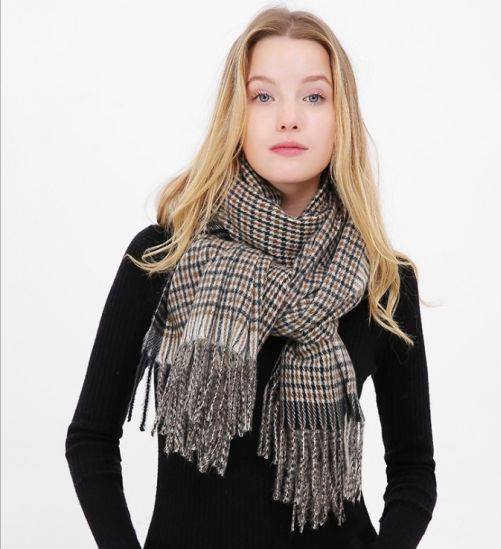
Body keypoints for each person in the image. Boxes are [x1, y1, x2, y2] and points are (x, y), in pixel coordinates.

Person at [65, 7, 437, 549]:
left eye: (314, 96)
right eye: (263, 96)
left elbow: (413, 474)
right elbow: (91, 440)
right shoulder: (162, 258)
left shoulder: (383, 281)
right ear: (236, 114)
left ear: (341, 117)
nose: (289, 118)